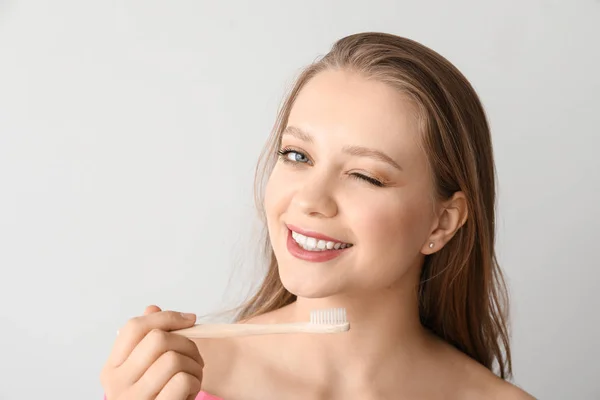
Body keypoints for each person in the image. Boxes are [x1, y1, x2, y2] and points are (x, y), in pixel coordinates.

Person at [100, 32, 535, 399]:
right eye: (297, 155)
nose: (311, 199)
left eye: (364, 176)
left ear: (442, 222)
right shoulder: (174, 380)